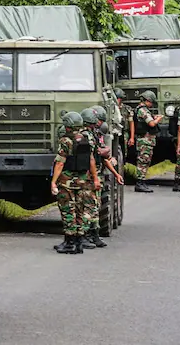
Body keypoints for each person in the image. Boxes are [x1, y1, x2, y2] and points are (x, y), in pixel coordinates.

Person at [51, 111, 99, 254]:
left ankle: (69, 243)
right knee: (80, 210)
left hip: (67, 182)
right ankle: (79, 242)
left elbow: (60, 163)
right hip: (83, 181)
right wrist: (95, 178)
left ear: (67, 126)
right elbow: (91, 160)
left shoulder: (66, 141)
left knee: (67, 211)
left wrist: (53, 181)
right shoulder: (86, 139)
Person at [81, 107, 123, 248]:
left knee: (95, 206)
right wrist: (95, 178)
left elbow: (103, 157)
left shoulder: (94, 134)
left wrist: (116, 174)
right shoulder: (85, 136)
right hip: (87, 177)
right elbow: (93, 157)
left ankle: (94, 234)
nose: (98, 123)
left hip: (95, 174)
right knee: (88, 206)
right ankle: (84, 235)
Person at [133, 91, 162, 193]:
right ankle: (140, 183)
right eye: (151, 102)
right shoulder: (143, 110)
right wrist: (158, 119)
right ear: (147, 100)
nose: (151, 104)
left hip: (145, 140)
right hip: (145, 140)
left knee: (145, 161)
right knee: (143, 161)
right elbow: (151, 124)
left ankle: (142, 181)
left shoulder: (141, 110)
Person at [114, 88, 135, 156]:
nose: (118, 100)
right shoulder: (110, 109)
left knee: (124, 152)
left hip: (124, 133)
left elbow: (131, 123)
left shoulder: (127, 109)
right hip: (113, 132)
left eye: (119, 98)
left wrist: (132, 137)